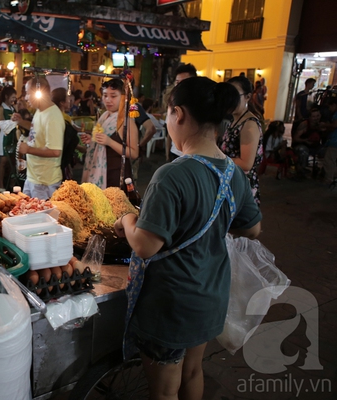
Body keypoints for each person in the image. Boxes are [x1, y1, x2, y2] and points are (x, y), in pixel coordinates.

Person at [114, 77, 262, 400]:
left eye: (167, 115)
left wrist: (127, 219)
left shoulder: (172, 174)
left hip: (172, 305)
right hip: (210, 295)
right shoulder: (232, 173)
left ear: (177, 114)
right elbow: (253, 229)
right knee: (193, 372)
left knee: (165, 390)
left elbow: (144, 244)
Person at [81, 78, 139, 188]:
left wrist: (109, 142)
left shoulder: (126, 121)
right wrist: (92, 140)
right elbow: (101, 140)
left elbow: (134, 153)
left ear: (123, 97)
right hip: (100, 172)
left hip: (117, 176)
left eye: (113, 96)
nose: (108, 100)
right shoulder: (104, 116)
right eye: (105, 95)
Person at [16, 76, 65, 199]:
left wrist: (28, 149)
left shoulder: (53, 116)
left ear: (40, 92)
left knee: (41, 217)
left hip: (45, 182)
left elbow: (55, 151)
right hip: (33, 177)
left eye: (28, 94)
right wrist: (21, 122)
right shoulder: (40, 111)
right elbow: (38, 130)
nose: (26, 98)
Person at [220, 75, 264, 205]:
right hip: (232, 182)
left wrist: (217, 159)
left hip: (241, 186)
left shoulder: (249, 124)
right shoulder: (235, 120)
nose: (230, 100)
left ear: (248, 97)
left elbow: (246, 163)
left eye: (234, 96)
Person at [164, 63, 198, 161]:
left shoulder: (199, 106)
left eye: (183, 82)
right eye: (177, 82)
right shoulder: (172, 103)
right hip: (175, 152)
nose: (179, 86)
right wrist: (167, 154)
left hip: (192, 156)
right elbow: (169, 133)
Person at [0, 86, 17, 192]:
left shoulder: (13, 108)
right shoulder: (1, 108)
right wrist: (13, 121)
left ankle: (10, 184)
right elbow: (1, 123)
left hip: (12, 136)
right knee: (3, 161)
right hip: (4, 137)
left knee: (12, 161)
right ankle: (0, 185)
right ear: (6, 96)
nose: (14, 99)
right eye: (12, 97)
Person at [292, 107, 324, 174]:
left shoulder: (322, 124)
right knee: (303, 150)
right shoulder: (304, 124)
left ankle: (325, 171)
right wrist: (305, 140)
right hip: (301, 145)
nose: (316, 118)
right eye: (314, 116)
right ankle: (302, 170)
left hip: (315, 146)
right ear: (310, 117)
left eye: (318, 116)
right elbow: (295, 138)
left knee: (328, 151)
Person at [322, 99, 337, 185]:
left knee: (329, 160)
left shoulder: (336, 115)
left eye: (330, 107)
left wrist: (325, 125)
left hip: (335, 141)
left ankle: (329, 178)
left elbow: (334, 125)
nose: (329, 109)